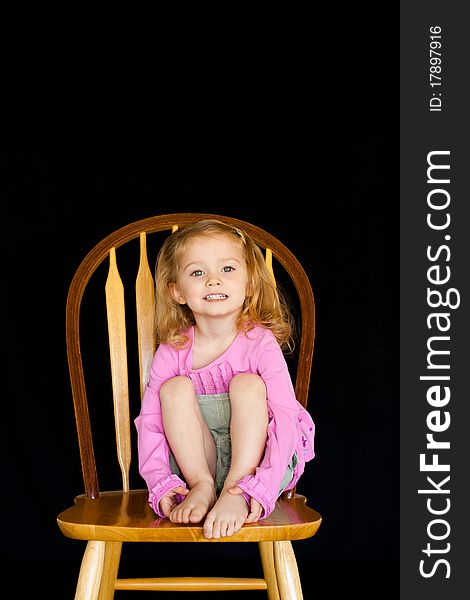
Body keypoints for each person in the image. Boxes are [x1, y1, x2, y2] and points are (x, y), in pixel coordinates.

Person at [134, 218, 315, 540]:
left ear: (249, 285)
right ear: (177, 292)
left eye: (228, 270)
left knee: (248, 385)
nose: (214, 281)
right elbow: (150, 421)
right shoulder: (174, 347)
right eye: (197, 272)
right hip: (195, 464)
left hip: (257, 465)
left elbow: (287, 418)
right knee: (173, 389)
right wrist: (160, 480)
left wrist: (257, 488)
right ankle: (203, 487)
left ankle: (234, 491)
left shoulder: (260, 342)